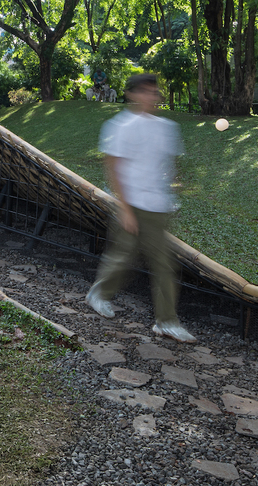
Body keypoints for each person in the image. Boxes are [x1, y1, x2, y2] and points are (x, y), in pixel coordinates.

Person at [85, 73, 196, 343]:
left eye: (154, 91)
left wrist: (169, 195)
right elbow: (112, 166)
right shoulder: (121, 126)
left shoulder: (168, 127)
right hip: (131, 203)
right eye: (144, 91)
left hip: (157, 207)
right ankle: (99, 293)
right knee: (123, 257)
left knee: (163, 264)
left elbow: (169, 166)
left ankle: (166, 321)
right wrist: (125, 209)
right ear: (132, 94)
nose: (151, 96)